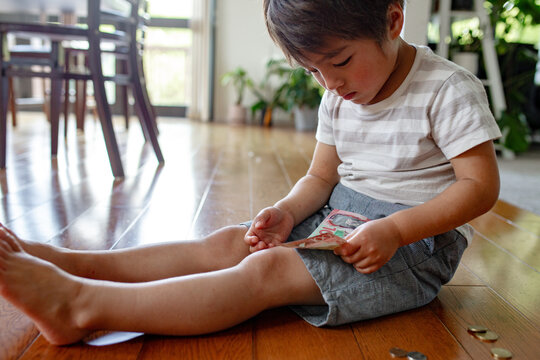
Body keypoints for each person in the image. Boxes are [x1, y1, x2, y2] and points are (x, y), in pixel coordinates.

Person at [0, 0, 501, 346]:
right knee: (228, 243)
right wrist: (285, 212)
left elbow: (479, 189)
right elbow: (320, 180)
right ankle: (75, 266)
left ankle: (81, 308)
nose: (330, 83)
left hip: (413, 243)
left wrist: (395, 228)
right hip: (341, 218)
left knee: (264, 272)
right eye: (313, 71)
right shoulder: (337, 93)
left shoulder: (447, 89)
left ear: (393, 20)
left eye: (341, 61)